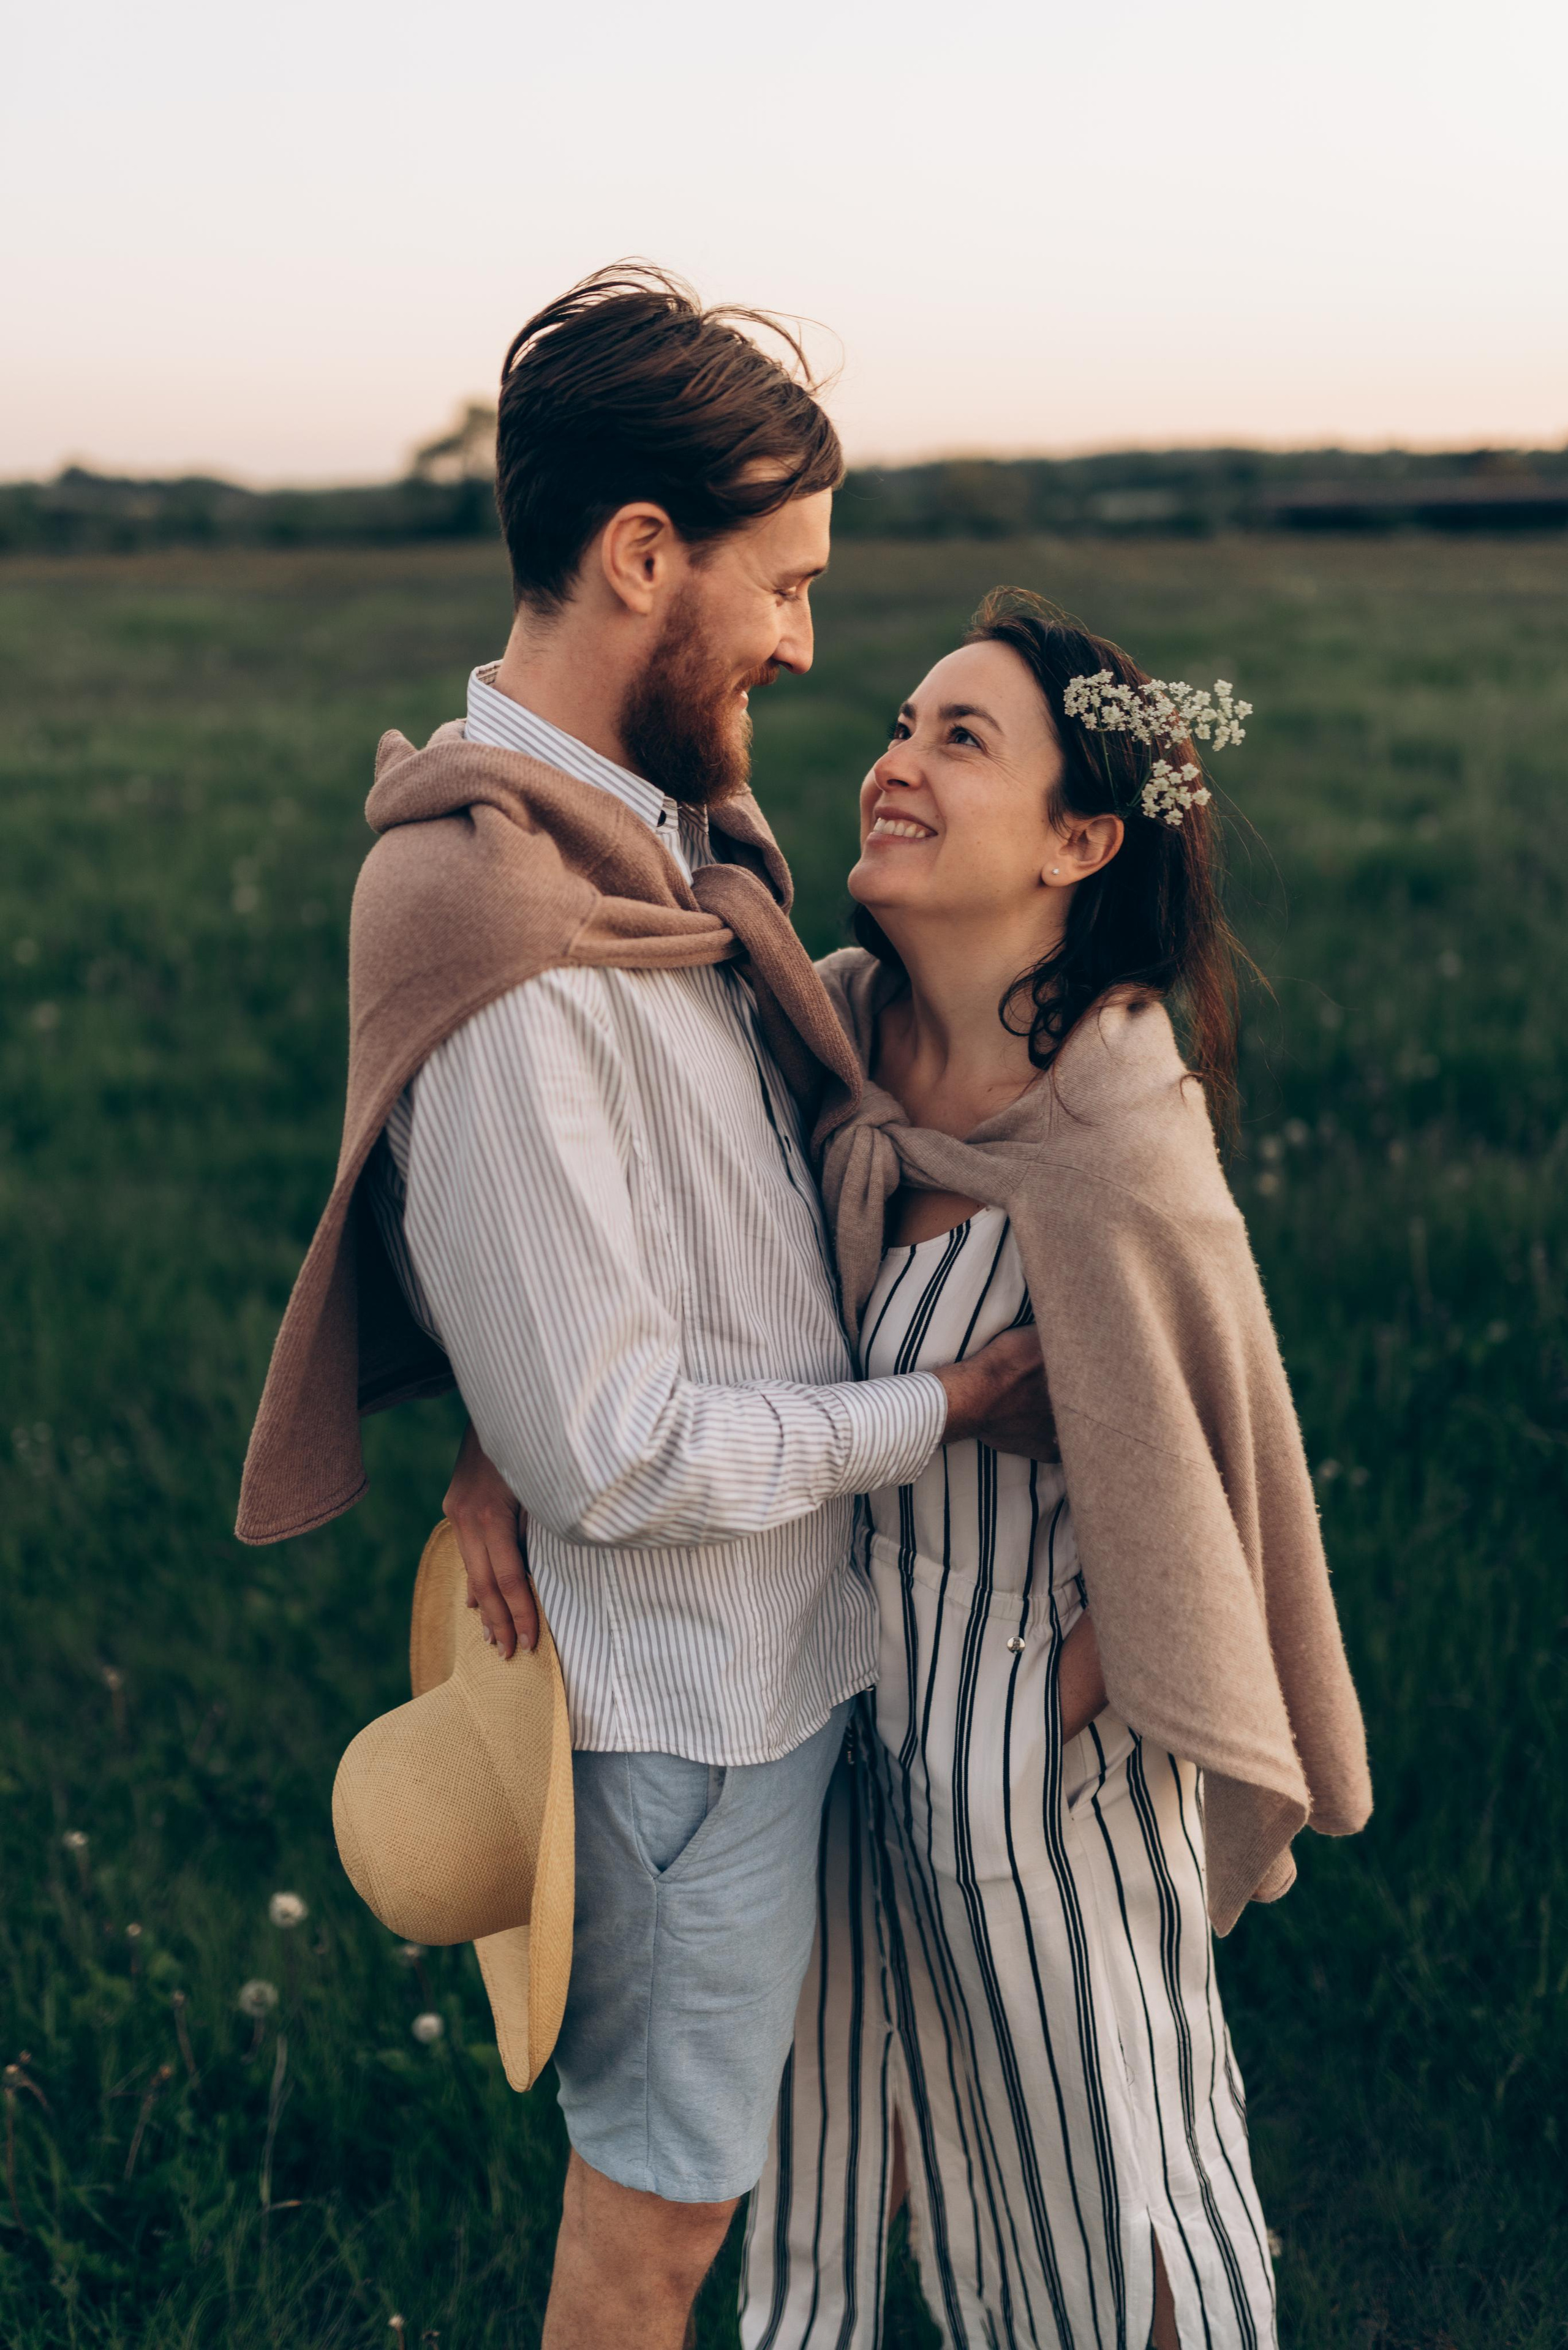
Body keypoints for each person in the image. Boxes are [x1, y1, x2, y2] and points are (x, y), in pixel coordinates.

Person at [236, 268, 1055, 2350]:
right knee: (656, 2234)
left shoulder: (640, 846)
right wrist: (946, 1405)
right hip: (688, 1711)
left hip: (778, 1658)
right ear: (638, 558)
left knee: (750, 2185)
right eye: (778, 585)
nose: (801, 636)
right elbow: (617, 1443)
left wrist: (490, 1433)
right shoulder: (512, 923)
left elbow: (609, 1273)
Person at [734, 593, 1373, 2349]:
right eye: (901, 723)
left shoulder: (1112, 1127)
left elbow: (1204, 1496)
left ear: (1079, 841)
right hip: (842, 1720)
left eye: (965, 740)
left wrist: (1027, 1727)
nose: (896, 764)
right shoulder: (836, 1045)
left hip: (1044, 1756)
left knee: (1121, 2201)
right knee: (910, 2183)